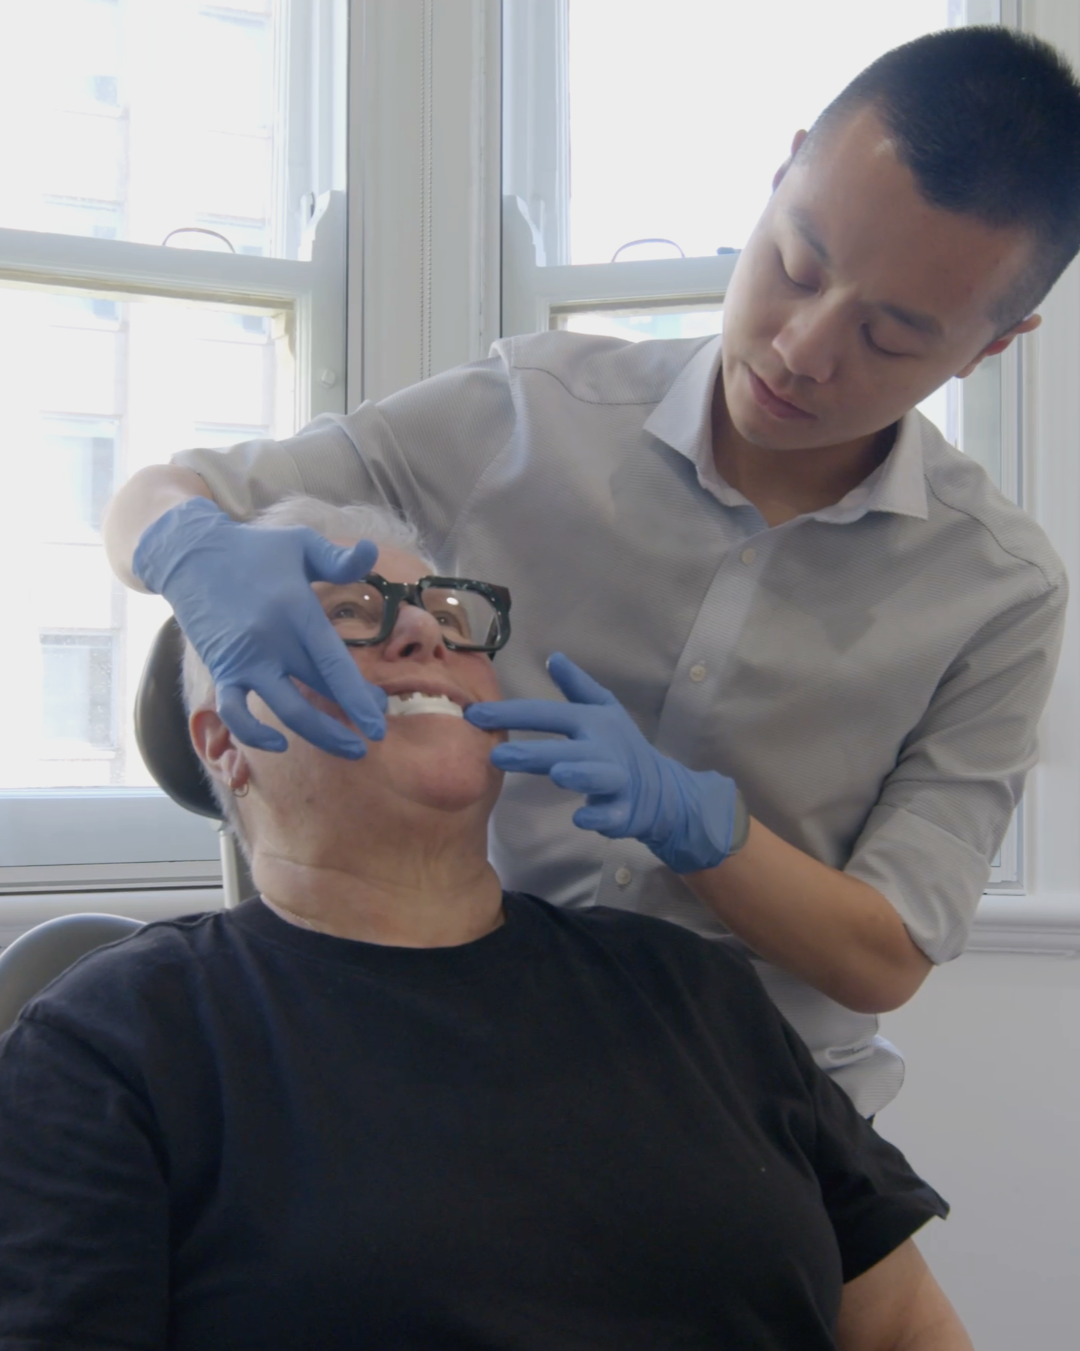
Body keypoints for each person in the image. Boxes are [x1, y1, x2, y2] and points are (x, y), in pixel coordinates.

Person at [102, 27, 1079, 1116]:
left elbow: (886, 956)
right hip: (447, 1041)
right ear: (782, 171)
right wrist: (187, 549)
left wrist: (701, 830)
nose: (804, 346)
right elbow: (165, 490)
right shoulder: (531, 414)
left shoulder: (999, 591)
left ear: (996, 344)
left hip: (753, 1108)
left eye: (891, 335)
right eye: (796, 264)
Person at [0, 499, 971, 1351]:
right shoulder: (118, 1041)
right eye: (347, 616)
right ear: (226, 742)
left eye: (452, 618)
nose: (425, 632)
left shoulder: (692, 989)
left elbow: (903, 1325)